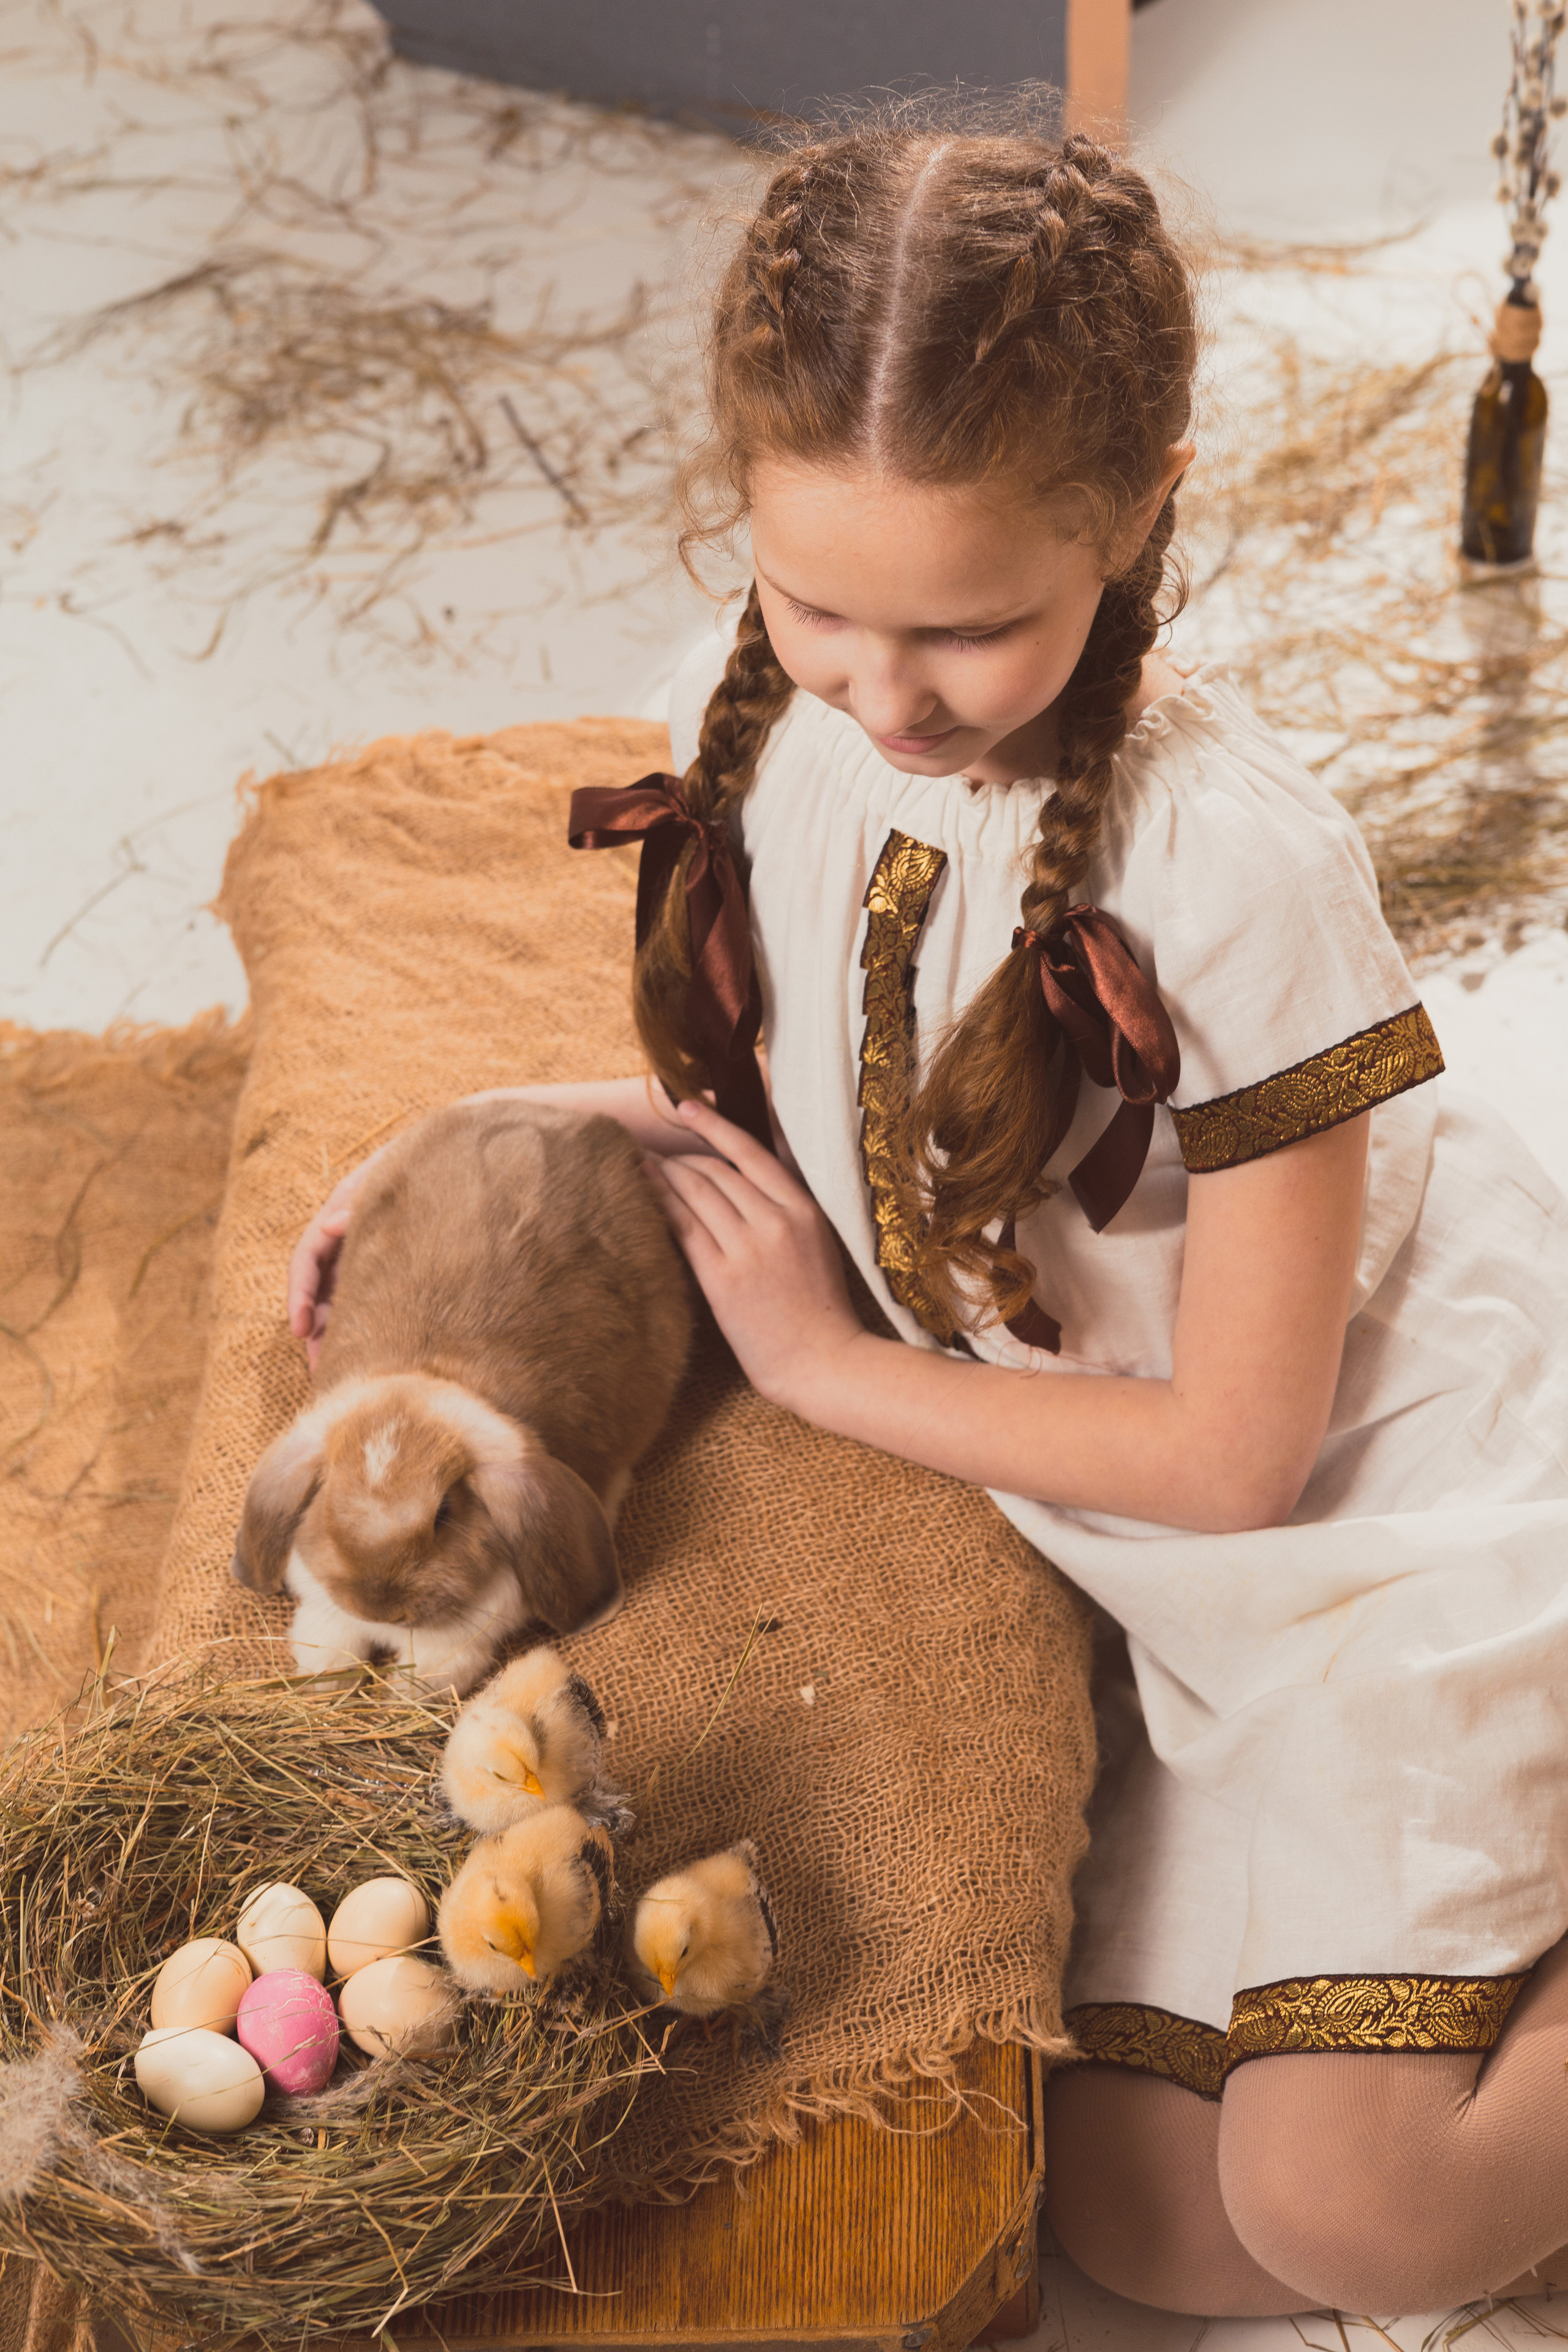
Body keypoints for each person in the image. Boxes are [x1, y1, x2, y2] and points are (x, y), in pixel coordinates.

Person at [288, 119, 1568, 2317]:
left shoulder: (1237, 875)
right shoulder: (780, 725)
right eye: (818, 610)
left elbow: (1237, 1455)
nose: (885, 697)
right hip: (1169, 1582)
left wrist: (826, 1366)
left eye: (971, 629)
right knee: (1131, 2216)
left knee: (1348, 2212)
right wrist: (506, 1126)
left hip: (1383, 1508)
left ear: (1141, 509)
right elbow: (845, 1112)